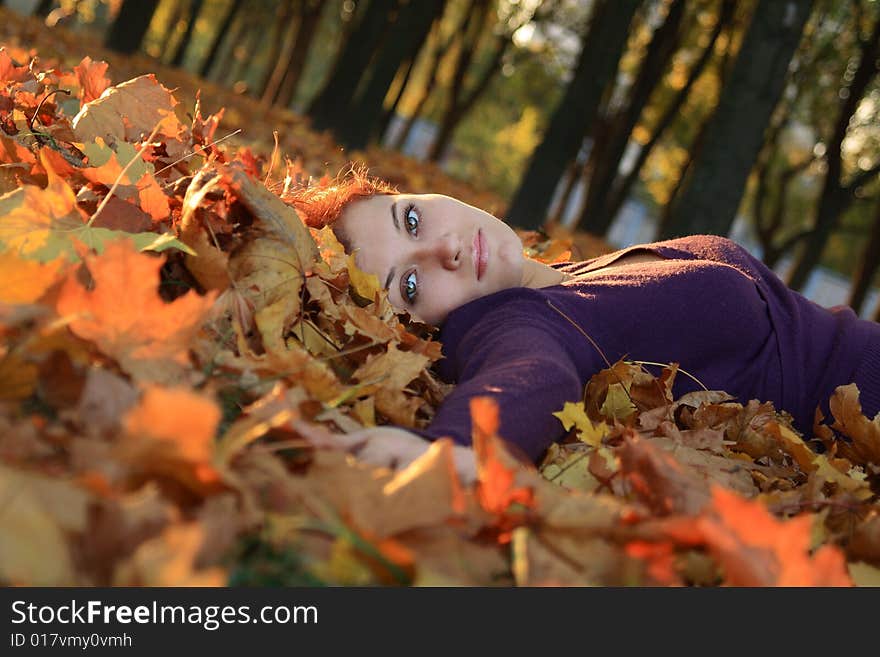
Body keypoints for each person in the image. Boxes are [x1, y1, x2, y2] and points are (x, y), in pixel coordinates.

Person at [290, 168, 880, 484]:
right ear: (410, 328)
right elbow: (530, 372)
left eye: (411, 218)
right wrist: (455, 449)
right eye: (409, 286)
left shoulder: (559, 277)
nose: (443, 248)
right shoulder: (512, 318)